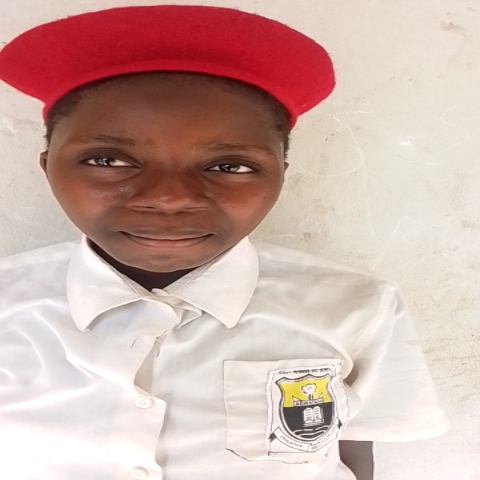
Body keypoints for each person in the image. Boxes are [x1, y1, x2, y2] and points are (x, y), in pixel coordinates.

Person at [0, 5, 448, 480]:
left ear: (281, 176)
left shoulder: (355, 305)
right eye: (108, 160)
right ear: (48, 167)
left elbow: (350, 453)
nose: (169, 198)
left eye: (229, 167)